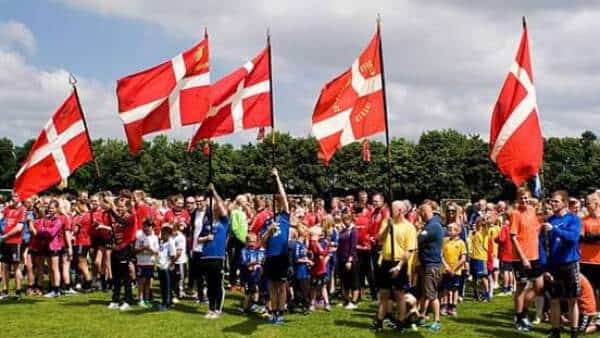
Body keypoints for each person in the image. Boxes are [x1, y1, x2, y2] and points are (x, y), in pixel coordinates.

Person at [371, 200, 416, 332]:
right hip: (385, 261)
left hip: (398, 262)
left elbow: (410, 249)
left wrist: (399, 266)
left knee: (399, 294)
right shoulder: (387, 222)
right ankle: (379, 322)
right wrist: (387, 228)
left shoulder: (409, 227)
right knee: (384, 293)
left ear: (401, 211)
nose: (390, 212)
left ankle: (400, 323)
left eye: (393, 209)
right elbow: (379, 239)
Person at [544, 190, 581, 338]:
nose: (552, 203)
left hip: (570, 263)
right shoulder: (549, 220)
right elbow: (544, 246)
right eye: (551, 201)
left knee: (572, 300)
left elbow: (573, 237)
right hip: (553, 266)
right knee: (554, 300)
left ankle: (573, 332)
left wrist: (555, 230)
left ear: (564, 203)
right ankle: (556, 332)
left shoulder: (573, 219)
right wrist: (546, 268)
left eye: (556, 201)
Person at [510, 187, 543, 332]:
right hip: (521, 257)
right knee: (521, 287)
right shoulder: (516, 214)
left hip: (535, 255)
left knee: (539, 286)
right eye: (521, 198)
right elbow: (513, 237)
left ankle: (523, 312)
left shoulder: (533, 211)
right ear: (517, 199)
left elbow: (537, 228)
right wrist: (523, 257)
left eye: (526, 198)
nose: (524, 200)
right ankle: (519, 317)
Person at [260, 168, 290, 325]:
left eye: (279, 202)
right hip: (270, 256)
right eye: (276, 202)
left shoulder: (285, 216)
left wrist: (277, 177)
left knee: (281, 285)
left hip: (281, 255)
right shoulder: (267, 221)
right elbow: (262, 242)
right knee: (271, 285)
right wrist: (269, 232)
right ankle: (273, 311)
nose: (278, 204)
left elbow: (284, 196)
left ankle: (281, 312)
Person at [197, 183, 229, 319]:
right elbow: (198, 239)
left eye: (217, 205)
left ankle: (217, 309)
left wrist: (214, 191)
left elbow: (222, 207)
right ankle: (210, 308)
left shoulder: (224, 221)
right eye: (214, 205)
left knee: (217, 284)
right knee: (209, 284)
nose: (216, 206)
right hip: (206, 256)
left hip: (218, 256)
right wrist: (206, 238)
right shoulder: (206, 222)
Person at [417, 199, 444, 332]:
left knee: (432, 295)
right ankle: (421, 316)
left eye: (420, 212)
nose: (419, 215)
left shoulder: (432, 226)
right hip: (428, 264)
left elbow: (418, 239)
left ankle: (437, 321)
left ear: (424, 212)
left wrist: (418, 231)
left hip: (432, 265)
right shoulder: (431, 224)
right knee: (427, 292)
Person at [106, 196, 136, 311]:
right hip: (116, 249)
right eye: (118, 206)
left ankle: (128, 300)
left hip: (124, 249)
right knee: (116, 276)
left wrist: (111, 209)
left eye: (122, 206)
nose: (119, 208)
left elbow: (120, 221)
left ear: (128, 207)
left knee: (125, 276)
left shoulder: (131, 217)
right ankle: (115, 299)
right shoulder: (118, 216)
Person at [0, 192, 25, 300]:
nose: (13, 198)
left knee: (16, 267)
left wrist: (5, 236)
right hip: (5, 242)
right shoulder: (7, 209)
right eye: (12, 196)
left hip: (15, 242)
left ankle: (18, 291)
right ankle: (5, 291)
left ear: (20, 198)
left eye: (15, 196)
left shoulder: (22, 210)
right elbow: (2, 219)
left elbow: (19, 228)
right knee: (5, 266)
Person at [580, 191, 600, 321]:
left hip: (599, 261)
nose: (586, 205)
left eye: (589, 203)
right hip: (585, 260)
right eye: (586, 203)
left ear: (597, 203)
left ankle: (598, 314)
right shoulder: (583, 220)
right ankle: (588, 313)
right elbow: (581, 238)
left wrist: (590, 238)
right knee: (588, 290)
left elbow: (587, 238)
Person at [441, 223, 466, 317]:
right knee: (445, 288)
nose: (449, 231)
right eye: (449, 229)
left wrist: (454, 269)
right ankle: (444, 305)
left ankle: (453, 307)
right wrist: (446, 266)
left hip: (456, 271)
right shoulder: (445, 241)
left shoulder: (461, 243)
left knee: (455, 289)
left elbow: (463, 258)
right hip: (445, 270)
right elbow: (441, 255)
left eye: (452, 230)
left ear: (458, 231)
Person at [135, 218, 159, 308]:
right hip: (141, 262)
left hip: (150, 263)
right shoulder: (140, 237)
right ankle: (140, 299)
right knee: (141, 281)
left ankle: (147, 299)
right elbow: (136, 250)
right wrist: (143, 248)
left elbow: (157, 252)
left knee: (148, 281)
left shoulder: (155, 238)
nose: (147, 228)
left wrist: (150, 249)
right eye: (145, 226)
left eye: (149, 226)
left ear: (152, 227)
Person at [337, 211, 359, 309]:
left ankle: (354, 302)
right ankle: (346, 300)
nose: (345, 221)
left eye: (346, 219)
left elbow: (353, 246)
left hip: (350, 259)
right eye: (344, 219)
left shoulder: (353, 230)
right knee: (345, 281)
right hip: (341, 258)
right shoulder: (343, 230)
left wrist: (349, 260)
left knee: (353, 281)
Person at [239, 232, 265, 313]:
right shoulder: (244, 251)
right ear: (246, 242)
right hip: (246, 276)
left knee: (255, 290)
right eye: (250, 241)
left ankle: (252, 306)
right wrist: (255, 263)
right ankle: (245, 309)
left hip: (255, 275)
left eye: (254, 241)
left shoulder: (256, 251)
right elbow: (245, 263)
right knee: (248, 293)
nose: (252, 244)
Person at [72, 198, 94, 292]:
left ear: (82, 204)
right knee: (83, 262)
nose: (76, 207)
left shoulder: (84, 216)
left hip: (82, 241)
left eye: (77, 205)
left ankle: (88, 282)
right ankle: (87, 283)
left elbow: (76, 229)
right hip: (86, 241)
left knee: (81, 263)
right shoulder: (89, 214)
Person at [229, 194, 249, 289]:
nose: (246, 202)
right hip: (237, 241)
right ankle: (232, 283)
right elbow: (234, 228)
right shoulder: (234, 212)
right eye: (244, 201)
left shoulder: (242, 212)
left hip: (244, 240)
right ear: (239, 201)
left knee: (243, 262)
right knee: (234, 262)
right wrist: (242, 239)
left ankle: (242, 282)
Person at [468, 218, 490, 302]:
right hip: (473, 257)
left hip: (481, 257)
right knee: (474, 277)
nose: (476, 225)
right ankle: (475, 294)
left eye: (478, 223)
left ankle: (486, 294)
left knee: (483, 276)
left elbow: (486, 226)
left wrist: (485, 222)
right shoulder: (472, 233)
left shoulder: (484, 232)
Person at [291, 227, 312, 314]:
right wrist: (307, 261)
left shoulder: (302, 245)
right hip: (300, 271)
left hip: (305, 270)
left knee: (304, 289)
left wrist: (307, 261)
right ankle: (304, 306)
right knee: (302, 289)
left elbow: (303, 256)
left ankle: (301, 305)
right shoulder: (297, 245)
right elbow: (296, 259)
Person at [156, 224, 176, 311]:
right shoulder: (161, 242)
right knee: (162, 285)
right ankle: (165, 301)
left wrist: (169, 264)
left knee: (167, 286)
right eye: (162, 233)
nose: (163, 235)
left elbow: (173, 255)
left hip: (166, 267)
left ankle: (167, 303)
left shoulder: (170, 243)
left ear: (169, 234)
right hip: (160, 266)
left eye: (165, 234)